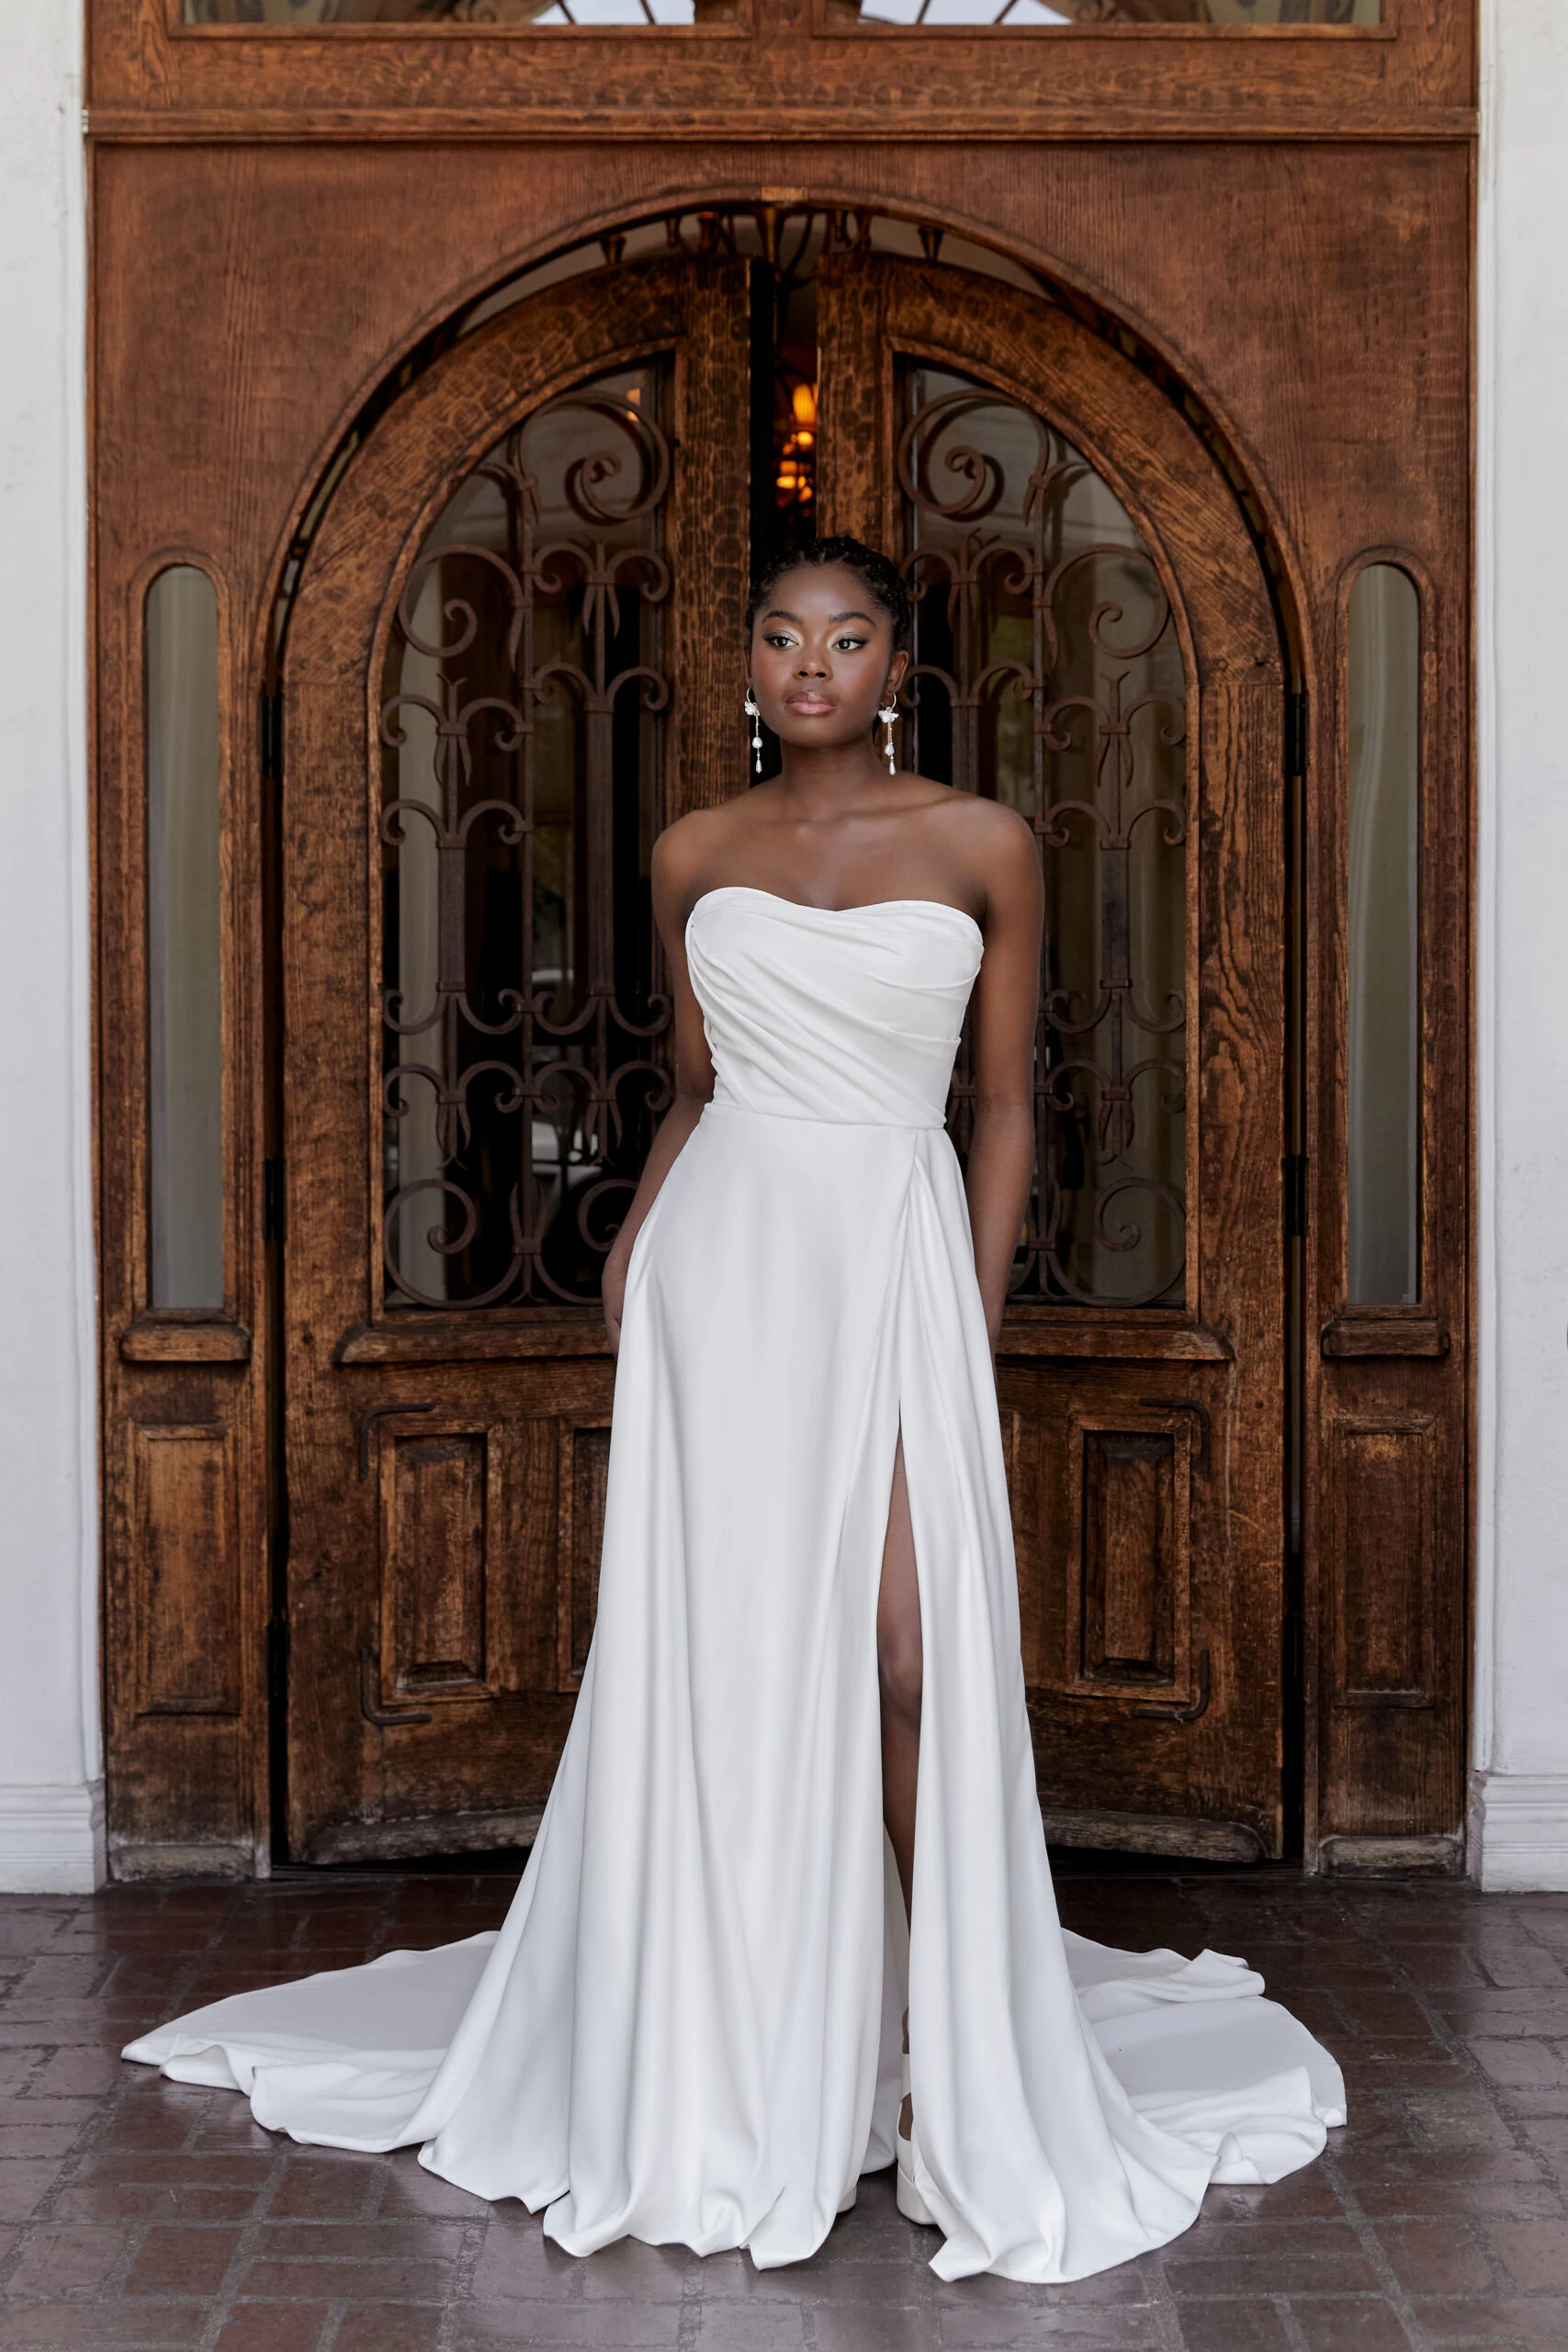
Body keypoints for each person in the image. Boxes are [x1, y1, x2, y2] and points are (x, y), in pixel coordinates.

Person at [125, 534, 1345, 2283]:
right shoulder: (694, 849)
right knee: (745, 1656)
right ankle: (753, 2037)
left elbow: (1003, 1107)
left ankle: (941, 2048)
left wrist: (968, 1311)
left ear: (895, 666)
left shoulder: (980, 841)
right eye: (780, 636)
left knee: (907, 1656)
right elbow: (697, 1085)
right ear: (751, 665)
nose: (809, 665)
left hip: (897, 1250)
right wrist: (633, 1236)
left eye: (845, 638)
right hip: (727, 1270)